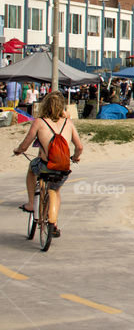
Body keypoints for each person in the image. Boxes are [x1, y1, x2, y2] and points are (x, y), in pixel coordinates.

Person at [12, 92, 83, 237]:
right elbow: (80, 146)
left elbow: (25, 145)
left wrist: (18, 150)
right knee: (55, 191)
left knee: (32, 169)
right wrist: (75, 157)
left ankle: (32, 203)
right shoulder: (68, 123)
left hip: (45, 166)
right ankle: (54, 223)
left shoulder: (39, 122)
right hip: (63, 168)